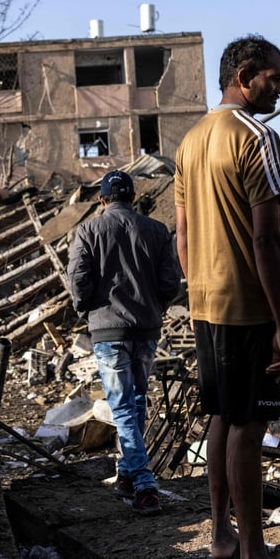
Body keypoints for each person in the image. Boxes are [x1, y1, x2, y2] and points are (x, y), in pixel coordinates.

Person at [174, 35, 280, 559]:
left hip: (206, 306)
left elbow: (181, 236)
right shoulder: (257, 136)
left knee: (222, 417)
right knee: (249, 426)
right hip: (247, 308)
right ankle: (253, 549)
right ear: (244, 76)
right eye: (274, 78)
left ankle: (222, 536)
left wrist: (201, 283)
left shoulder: (190, 140)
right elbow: (266, 239)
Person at [67, 170, 181, 516]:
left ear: (102, 200)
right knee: (135, 403)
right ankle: (127, 474)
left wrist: (86, 308)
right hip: (146, 330)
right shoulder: (157, 230)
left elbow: (77, 281)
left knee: (122, 407)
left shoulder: (88, 230)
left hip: (107, 331)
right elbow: (171, 282)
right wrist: (154, 307)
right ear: (133, 197)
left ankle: (145, 484)